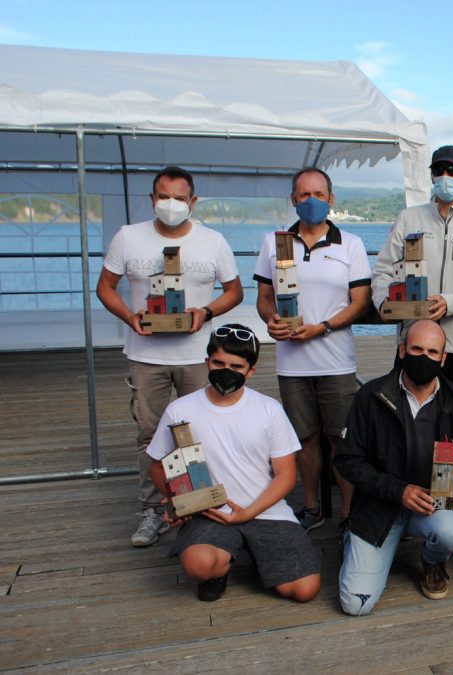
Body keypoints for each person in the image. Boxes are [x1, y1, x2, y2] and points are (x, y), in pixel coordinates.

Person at [96, 165, 243, 548]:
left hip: (198, 356)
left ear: (193, 201)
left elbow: (234, 291)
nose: (171, 204)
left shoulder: (213, 241)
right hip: (146, 356)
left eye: (179, 198)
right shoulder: (129, 238)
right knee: (150, 434)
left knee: (205, 430)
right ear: (152, 199)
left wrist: (205, 313)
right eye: (164, 196)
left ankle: (207, 501)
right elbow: (105, 287)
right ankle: (153, 509)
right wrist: (129, 317)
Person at [371, 145, 453, 539]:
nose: (446, 176)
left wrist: (450, 303)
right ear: (431, 175)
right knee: (402, 426)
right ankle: (401, 503)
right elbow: (382, 270)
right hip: (413, 344)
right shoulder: (409, 217)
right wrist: (383, 304)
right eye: (439, 169)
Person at [146, 324, 321, 603]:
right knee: (199, 566)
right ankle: (220, 568)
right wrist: (178, 501)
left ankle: (251, 549)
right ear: (207, 362)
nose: (225, 370)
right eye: (218, 363)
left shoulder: (269, 409)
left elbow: (286, 476)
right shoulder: (180, 409)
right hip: (210, 512)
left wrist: (248, 513)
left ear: (250, 370)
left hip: (264, 509)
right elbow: (158, 465)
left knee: (304, 591)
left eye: (236, 366)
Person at [335, 320, 453, 616]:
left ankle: (432, 559)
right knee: (356, 604)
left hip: (435, 503)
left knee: (452, 533)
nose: (424, 357)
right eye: (417, 349)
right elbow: (346, 459)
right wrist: (398, 490)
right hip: (380, 506)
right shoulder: (371, 396)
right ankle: (356, 540)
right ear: (402, 350)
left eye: (433, 352)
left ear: (443, 358)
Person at [253, 167, 371, 531]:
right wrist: (271, 319)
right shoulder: (274, 243)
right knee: (303, 439)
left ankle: (349, 510)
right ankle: (311, 507)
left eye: (319, 194)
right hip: (291, 364)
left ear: (331, 199)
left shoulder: (350, 244)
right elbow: (264, 298)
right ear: (293, 200)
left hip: (335, 360)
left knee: (341, 439)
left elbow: (361, 302)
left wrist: (322, 328)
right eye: (304, 195)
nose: (312, 201)